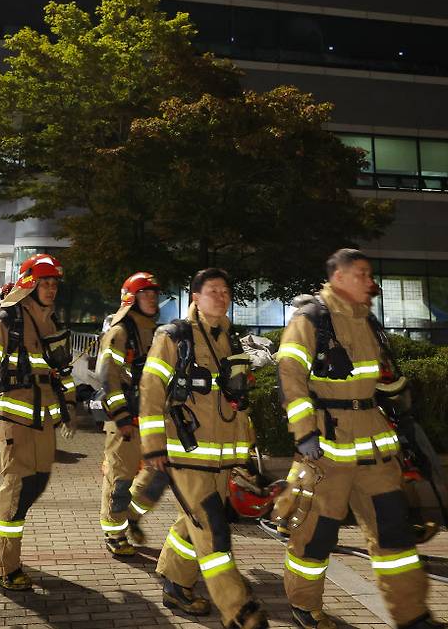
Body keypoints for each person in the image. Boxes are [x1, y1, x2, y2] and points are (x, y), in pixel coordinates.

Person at [275, 248, 448, 629]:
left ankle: (413, 617)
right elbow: (290, 377)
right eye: (361, 274)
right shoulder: (311, 318)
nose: (369, 282)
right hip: (327, 450)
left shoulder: (367, 320)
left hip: (374, 448)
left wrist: (400, 405)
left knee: (395, 538)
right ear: (338, 277)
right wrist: (304, 433)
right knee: (315, 537)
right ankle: (304, 606)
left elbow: (379, 378)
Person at [139, 267, 268, 629]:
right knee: (212, 530)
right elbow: (150, 390)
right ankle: (238, 610)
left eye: (226, 290)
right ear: (195, 297)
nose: (222, 296)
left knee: (193, 521)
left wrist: (245, 453)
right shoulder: (174, 336)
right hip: (186, 453)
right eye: (213, 290)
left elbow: (235, 402)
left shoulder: (229, 338)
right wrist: (152, 448)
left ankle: (176, 581)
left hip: (221, 458)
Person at [0, 253, 76, 591]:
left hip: (43, 420)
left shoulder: (51, 322)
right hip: (14, 419)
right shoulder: (8, 318)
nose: (51, 288)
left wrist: (69, 406)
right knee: (17, 490)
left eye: (55, 283)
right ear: (30, 282)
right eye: (45, 282)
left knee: (37, 482)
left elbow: (61, 372)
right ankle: (1, 567)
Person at [97, 271, 168, 556]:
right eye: (145, 293)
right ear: (131, 299)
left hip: (151, 420)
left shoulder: (157, 332)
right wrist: (122, 418)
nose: (152, 298)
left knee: (159, 475)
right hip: (125, 421)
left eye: (154, 293)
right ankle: (114, 532)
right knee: (121, 478)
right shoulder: (120, 332)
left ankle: (130, 518)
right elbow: (108, 378)